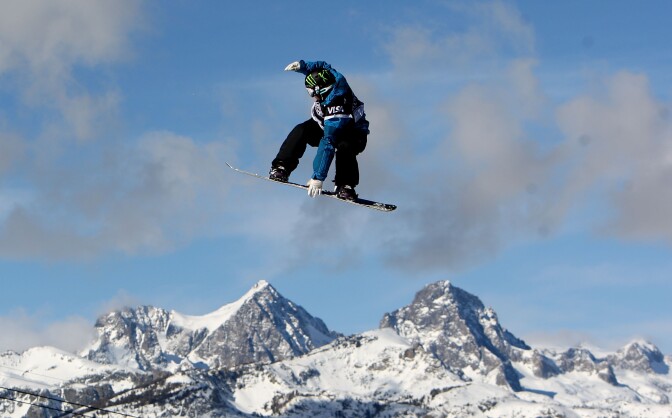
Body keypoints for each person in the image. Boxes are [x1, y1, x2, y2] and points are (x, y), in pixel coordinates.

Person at [269, 60, 369, 201]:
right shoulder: (333, 76)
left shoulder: (337, 105)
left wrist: (318, 177)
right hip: (323, 124)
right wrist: (303, 67)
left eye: (311, 93)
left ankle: (345, 185)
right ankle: (282, 166)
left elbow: (328, 142)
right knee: (302, 129)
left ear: (321, 90)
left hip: (352, 133)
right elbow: (323, 66)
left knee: (344, 147)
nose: (312, 97)